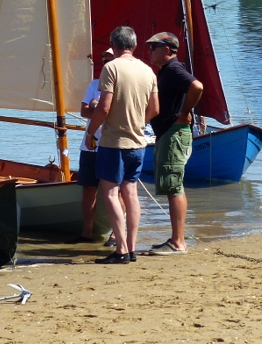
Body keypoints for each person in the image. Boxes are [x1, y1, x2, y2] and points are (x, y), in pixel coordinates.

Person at [86, 26, 159, 264]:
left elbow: (104, 107)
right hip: (138, 141)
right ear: (135, 45)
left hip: (114, 141)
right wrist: (138, 122)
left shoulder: (111, 67)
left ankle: (121, 250)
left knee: (109, 192)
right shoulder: (148, 71)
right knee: (130, 192)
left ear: (114, 45)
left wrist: (91, 132)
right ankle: (132, 247)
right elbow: (155, 109)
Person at [145, 32, 204, 255]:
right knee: (172, 186)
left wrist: (185, 112)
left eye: (153, 48)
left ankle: (178, 242)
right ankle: (175, 238)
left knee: (174, 186)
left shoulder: (173, 69)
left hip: (175, 132)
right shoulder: (166, 72)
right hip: (168, 133)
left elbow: (197, 86)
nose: (150, 51)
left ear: (167, 50)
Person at [76, 47, 115, 241]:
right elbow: (84, 111)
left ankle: (117, 234)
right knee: (88, 188)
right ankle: (86, 233)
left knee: (116, 189)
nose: (105, 63)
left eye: (109, 59)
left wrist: (96, 106)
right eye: (104, 59)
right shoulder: (94, 84)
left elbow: (109, 111)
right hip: (90, 146)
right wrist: (97, 109)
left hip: (112, 143)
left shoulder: (120, 84)